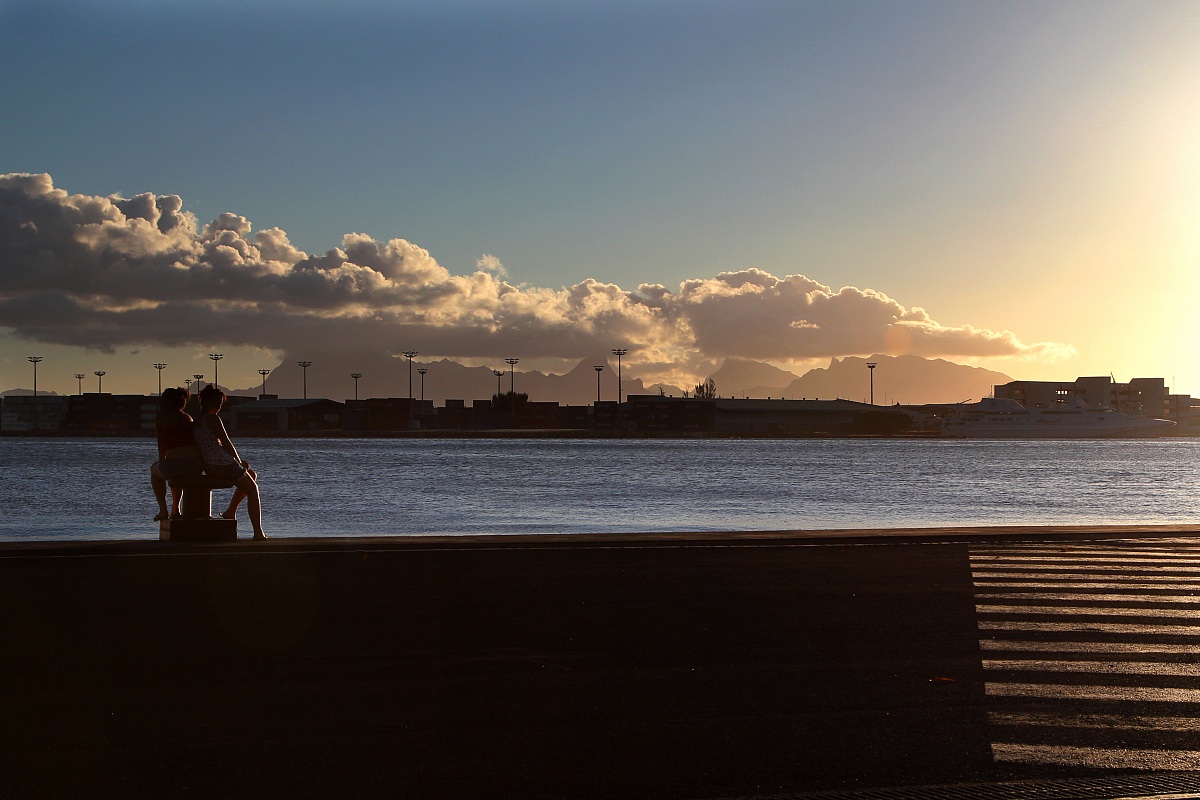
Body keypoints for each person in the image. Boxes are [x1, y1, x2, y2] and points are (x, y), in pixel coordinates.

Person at [195, 386, 267, 540]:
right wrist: (239, 462)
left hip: (210, 466)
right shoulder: (212, 419)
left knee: (251, 475)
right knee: (253, 490)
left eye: (221, 403)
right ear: (206, 402)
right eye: (216, 403)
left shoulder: (195, 421)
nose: (219, 406)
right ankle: (258, 532)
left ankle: (230, 511)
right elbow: (227, 443)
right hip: (223, 464)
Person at [151, 387, 203, 521]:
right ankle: (176, 509)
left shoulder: (161, 416)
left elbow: (161, 441)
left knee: (155, 472)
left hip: (174, 465)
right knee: (178, 471)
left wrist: (161, 459)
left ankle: (163, 510)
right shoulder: (187, 418)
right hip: (195, 465)